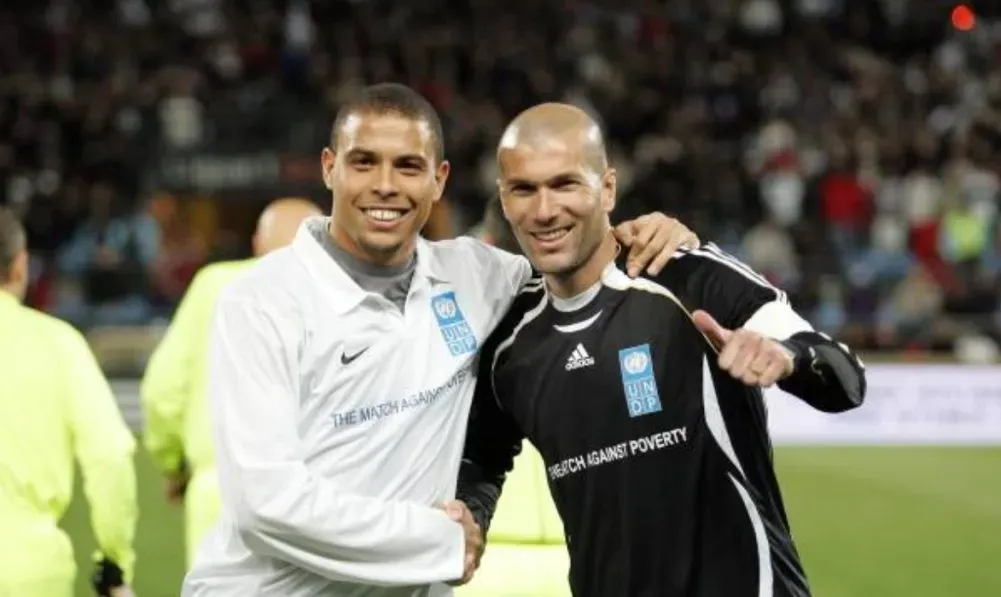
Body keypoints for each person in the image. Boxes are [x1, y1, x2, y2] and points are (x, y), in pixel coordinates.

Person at [181, 83, 697, 597]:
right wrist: (436, 542)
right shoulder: (261, 302)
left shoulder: (477, 277)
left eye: (408, 166)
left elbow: (576, 259)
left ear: (438, 179)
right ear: (328, 168)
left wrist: (649, 235)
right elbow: (263, 503)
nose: (385, 185)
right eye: (364, 163)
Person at [456, 103, 868, 597]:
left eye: (565, 184)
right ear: (503, 198)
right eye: (523, 189)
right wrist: (470, 516)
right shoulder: (509, 341)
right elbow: (480, 456)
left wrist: (788, 356)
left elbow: (845, 378)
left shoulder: (689, 278)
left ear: (607, 189)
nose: (544, 210)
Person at [140, 197, 323, 565]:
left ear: (257, 242)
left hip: (221, 490)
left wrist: (173, 463)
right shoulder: (341, 297)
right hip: (316, 500)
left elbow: (163, 390)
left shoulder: (214, 286)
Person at [0, 206, 137, 597]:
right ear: (21, 266)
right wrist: (115, 561)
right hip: (27, 572)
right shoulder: (58, 344)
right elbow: (110, 455)